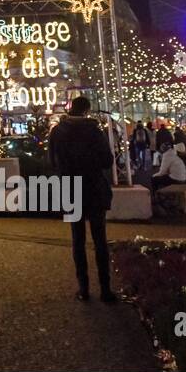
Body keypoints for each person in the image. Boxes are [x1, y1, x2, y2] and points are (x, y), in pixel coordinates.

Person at [48, 96, 116, 304]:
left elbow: (52, 162)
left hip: (71, 189)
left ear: (70, 109)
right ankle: (105, 290)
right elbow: (107, 160)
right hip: (94, 187)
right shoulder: (94, 131)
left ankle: (83, 289)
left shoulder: (57, 132)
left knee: (77, 240)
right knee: (100, 240)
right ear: (86, 110)